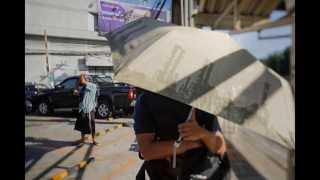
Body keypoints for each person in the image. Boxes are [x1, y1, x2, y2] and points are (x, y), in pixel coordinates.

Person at [134, 90, 230, 180]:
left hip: (201, 173)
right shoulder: (146, 100)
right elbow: (147, 151)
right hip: (160, 173)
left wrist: (202, 133)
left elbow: (221, 147)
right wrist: (193, 143)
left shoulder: (207, 100)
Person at [74, 73, 99, 146]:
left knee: (92, 124)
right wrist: (76, 89)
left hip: (90, 108)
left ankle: (94, 140)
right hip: (83, 108)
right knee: (82, 124)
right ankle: (82, 139)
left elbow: (82, 81)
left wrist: (81, 75)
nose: (81, 82)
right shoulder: (84, 87)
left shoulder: (92, 86)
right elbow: (76, 93)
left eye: (85, 79)